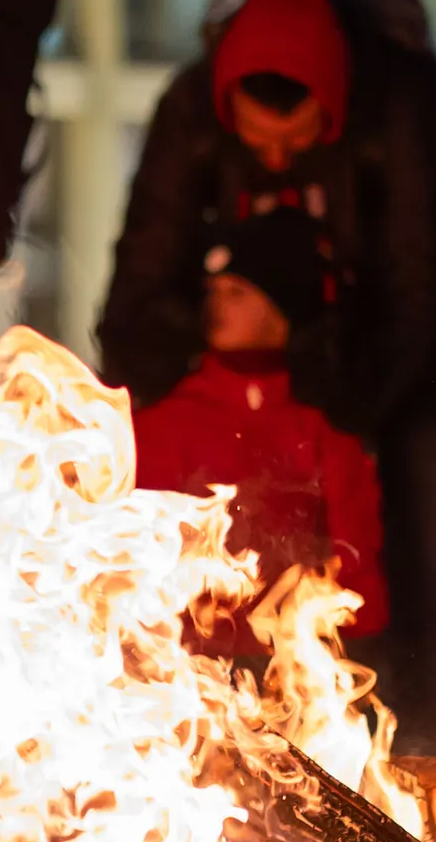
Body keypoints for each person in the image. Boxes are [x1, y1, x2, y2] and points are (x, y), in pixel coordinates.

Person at [99, 0, 436, 738]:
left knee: (420, 499)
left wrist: (348, 396)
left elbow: (419, 283)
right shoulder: (190, 109)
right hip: (248, 346)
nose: (274, 159)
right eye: (256, 142)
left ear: (331, 111)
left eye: (294, 141)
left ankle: (423, 718)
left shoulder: (396, 108)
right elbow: (143, 267)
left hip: (368, 356)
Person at [131, 210, 386, 669]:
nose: (217, 306)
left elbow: (356, 559)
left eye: (237, 292)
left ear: (282, 308)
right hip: (191, 668)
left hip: (299, 667)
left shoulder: (321, 425)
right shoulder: (168, 422)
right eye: (212, 292)